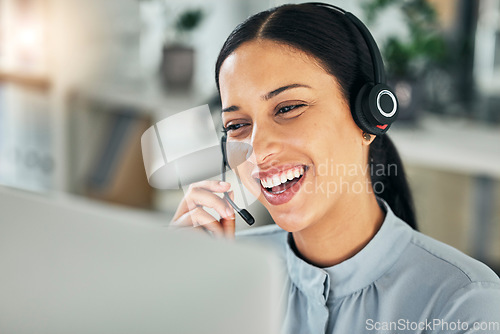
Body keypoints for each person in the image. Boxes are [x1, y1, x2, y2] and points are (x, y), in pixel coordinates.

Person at [171, 3, 500, 333]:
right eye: (237, 125)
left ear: (369, 118)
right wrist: (168, 290)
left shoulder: (464, 303)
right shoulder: (228, 268)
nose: (257, 150)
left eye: (288, 108)